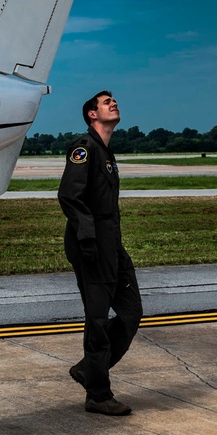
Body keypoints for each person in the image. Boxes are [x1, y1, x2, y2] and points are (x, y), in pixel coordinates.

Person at [58, 90, 142, 416]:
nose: (114, 103)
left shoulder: (106, 152)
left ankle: (87, 369)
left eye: (114, 101)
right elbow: (69, 196)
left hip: (111, 243)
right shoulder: (84, 148)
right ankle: (98, 393)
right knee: (96, 318)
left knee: (131, 312)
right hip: (89, 245)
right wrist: (88, 238)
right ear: (92, 114)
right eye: (106, 102)